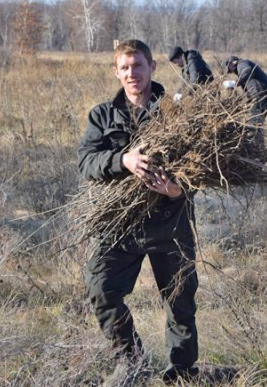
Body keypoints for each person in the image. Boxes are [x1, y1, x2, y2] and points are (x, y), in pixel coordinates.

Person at [77, 39, 199, 384]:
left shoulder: (177, 111)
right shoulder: (102, 115)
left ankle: (182, 375)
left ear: (152, 67)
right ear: (116, 71)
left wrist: (177, 190)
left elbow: (203, 166)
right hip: (119, 224)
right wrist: (123, 160)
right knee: (101, 289)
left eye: (138, 66)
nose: (132, 73)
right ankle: (132, 361)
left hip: (170, 222)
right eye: (125, 68)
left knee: (180, 304)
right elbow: (86, 162)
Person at [221, 55, 267, 126]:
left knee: (253, 121)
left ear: (232, 64)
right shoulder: (242, 69)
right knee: (259, 120)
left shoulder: (241, 64)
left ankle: (254, 136)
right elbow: (248, 89)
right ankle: (258, 135)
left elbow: (248, 70)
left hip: (260, 94)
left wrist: (235, 83)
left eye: (230, 69)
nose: (232, 72)